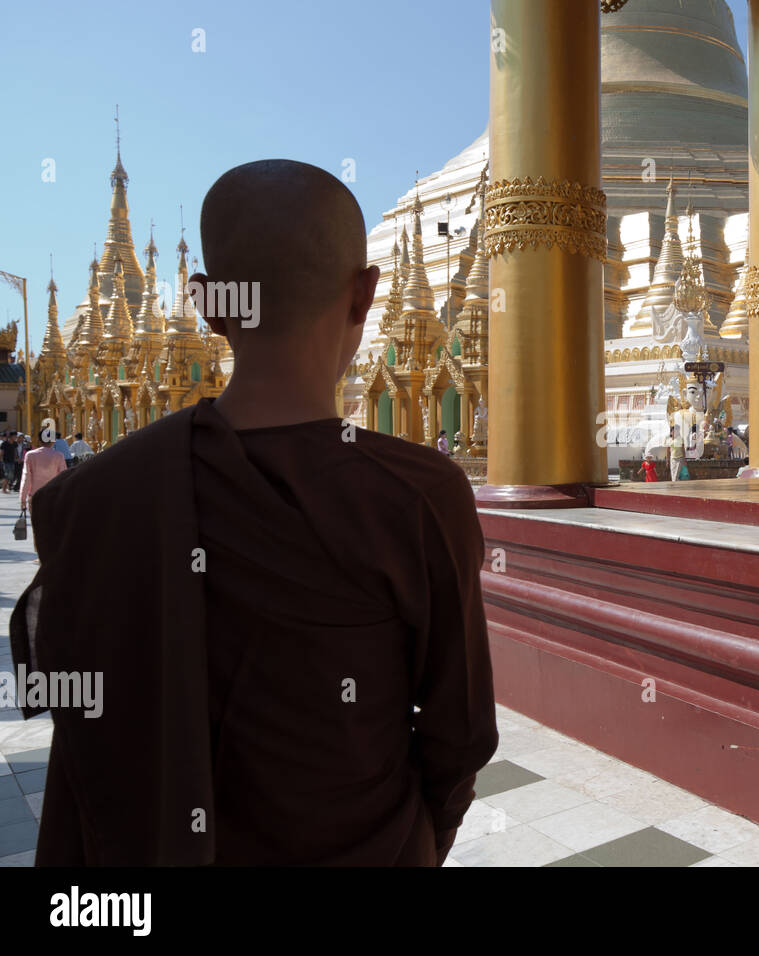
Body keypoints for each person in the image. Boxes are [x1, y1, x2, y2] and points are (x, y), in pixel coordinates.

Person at [10, 159, 498, 866]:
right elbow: (460, 738)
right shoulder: (422, 495)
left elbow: (79, 718)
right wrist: (412, 844)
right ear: (366, 295)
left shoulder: (99, 498)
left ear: (208, 305)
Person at [19, 433, 66, 513]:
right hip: (53, 495)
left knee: (36, 523)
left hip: (35, 495)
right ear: (53, 441)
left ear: (39, 441)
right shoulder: (59, 456)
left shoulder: (30, 455)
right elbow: (64, 477)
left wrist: (22, 498)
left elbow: (26, 477)